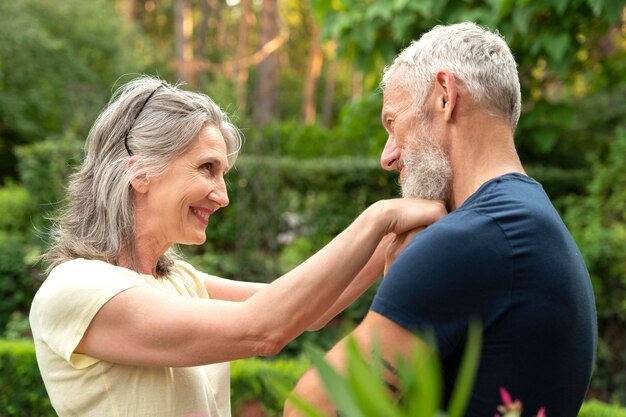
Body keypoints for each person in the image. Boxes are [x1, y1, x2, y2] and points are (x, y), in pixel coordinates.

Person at [28, 77, 446, 417]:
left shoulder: (177, 280)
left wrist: (405, 227)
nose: (222, 195)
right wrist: (379, 218)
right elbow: (261, 328)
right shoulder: (77, 289)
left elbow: (308, 309)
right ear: (140, 173)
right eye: (207, 169)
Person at [285, 22, 597, 417]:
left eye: (392, 124)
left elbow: (308, 409)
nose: (388, 156)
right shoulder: (532, 222)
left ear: (445, 96)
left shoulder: (475, 237)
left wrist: (404, 271)